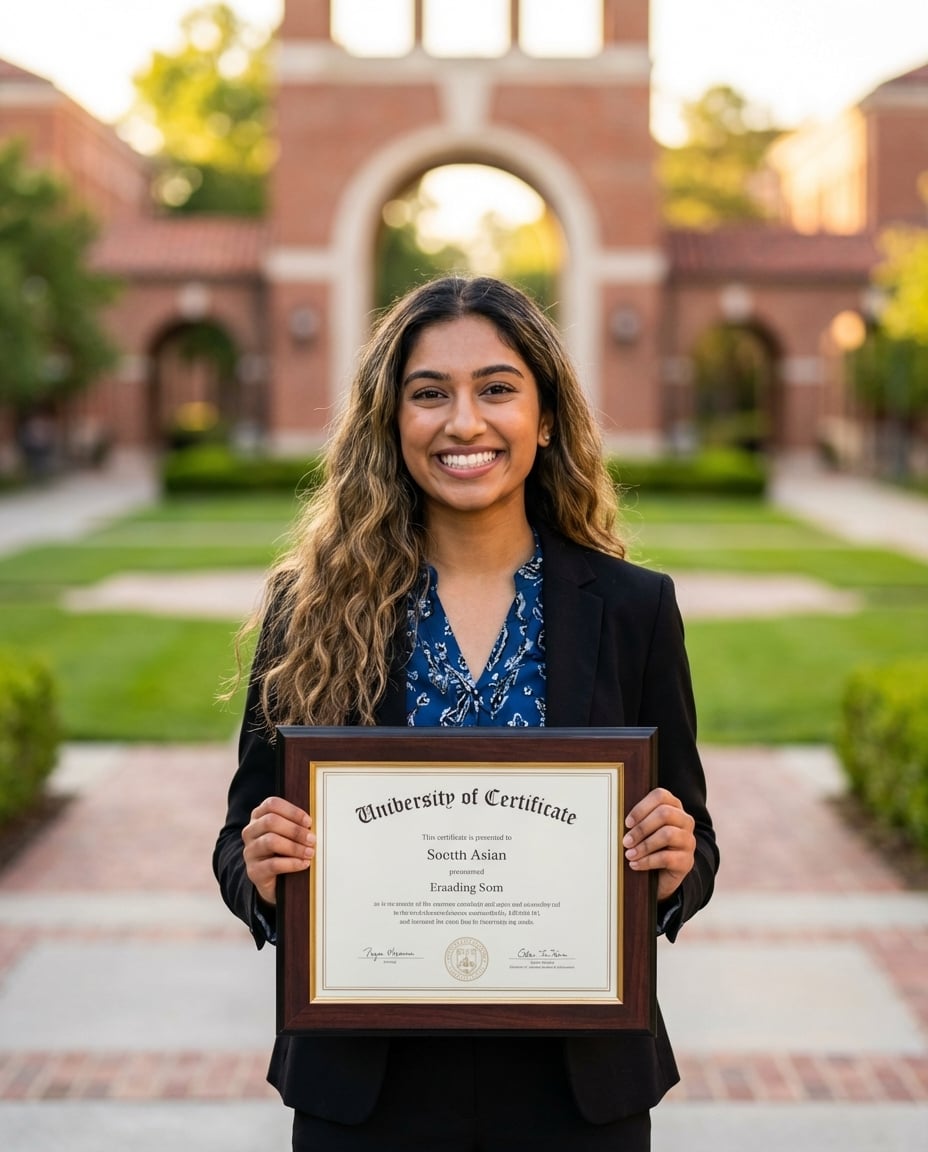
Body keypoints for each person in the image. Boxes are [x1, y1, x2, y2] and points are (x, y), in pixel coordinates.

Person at [214, 275, 718, 1151]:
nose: (464, 422)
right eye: (429, 394)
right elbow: (238, 841)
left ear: (545, 417)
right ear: (390, 419)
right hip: (367, 1085)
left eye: (496, 388)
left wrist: (675, 861)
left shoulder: (634, 608)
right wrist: (259, 868)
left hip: (576, 1088)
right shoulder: (313, 609)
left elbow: (694, 838)